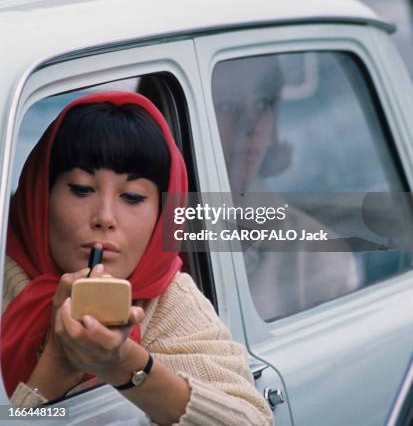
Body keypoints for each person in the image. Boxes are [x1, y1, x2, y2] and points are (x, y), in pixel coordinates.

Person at [1, 91, 272, 425]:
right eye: (82, 189)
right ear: (41, 193)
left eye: (131, 197)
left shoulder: (170, 303)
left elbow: (252, 420)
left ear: (163, 213)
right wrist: (58, 359)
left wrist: (122, 363)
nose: (104, 217)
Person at [212, 55, 362, 321]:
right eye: (225, 106)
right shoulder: (143, 224)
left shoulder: (320, 257)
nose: (250, 125)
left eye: (261, 103)